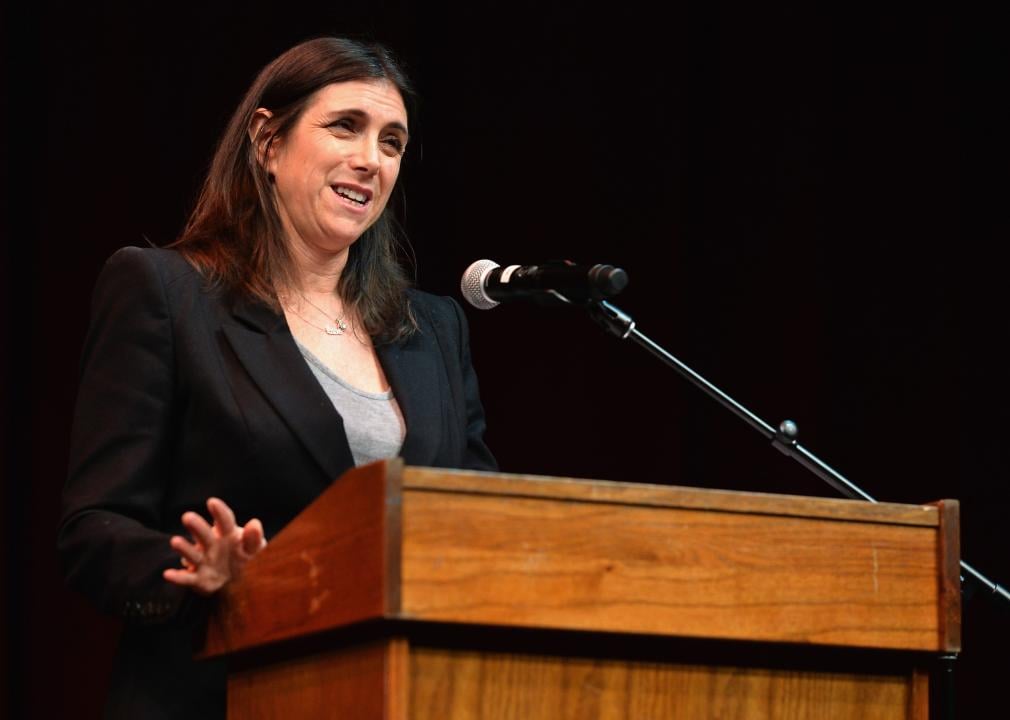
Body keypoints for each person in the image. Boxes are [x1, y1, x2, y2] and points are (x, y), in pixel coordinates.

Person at [58, 36, 496, 719]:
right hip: (219, 692)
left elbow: (480, 523)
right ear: (267, 140)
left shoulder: (432, 329)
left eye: (392, 141)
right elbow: (94, 527)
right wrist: (194, 574)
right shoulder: (167, 294)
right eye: (344, 126)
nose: (369, 159)